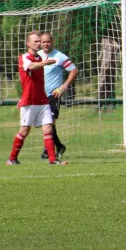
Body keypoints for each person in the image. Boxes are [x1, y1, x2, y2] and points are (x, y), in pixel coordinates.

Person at [6, 31, 66, 165]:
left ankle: (52, 159)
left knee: (49, 127)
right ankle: (12, 158)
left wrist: (43, 62)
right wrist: (45, 63)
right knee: (25, 130)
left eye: (39, 41)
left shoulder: (39, 58)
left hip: (42, 99)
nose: (39, 43)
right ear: (28, 43)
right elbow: (30, 66)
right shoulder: (24, 57)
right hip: (30, 100)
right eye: (36, 41)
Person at [38, 32, 78, 160]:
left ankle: (47, 150)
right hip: (39, 94)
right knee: (45, 123)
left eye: (48, 41)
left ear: (52, 42)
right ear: (40, 43)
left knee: (49, 122)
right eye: (43, 42)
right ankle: (58, 146)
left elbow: (74, 70)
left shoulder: (59, 56)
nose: (46, 44)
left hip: (54, 94)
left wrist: (64, 86)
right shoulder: (37, 57)